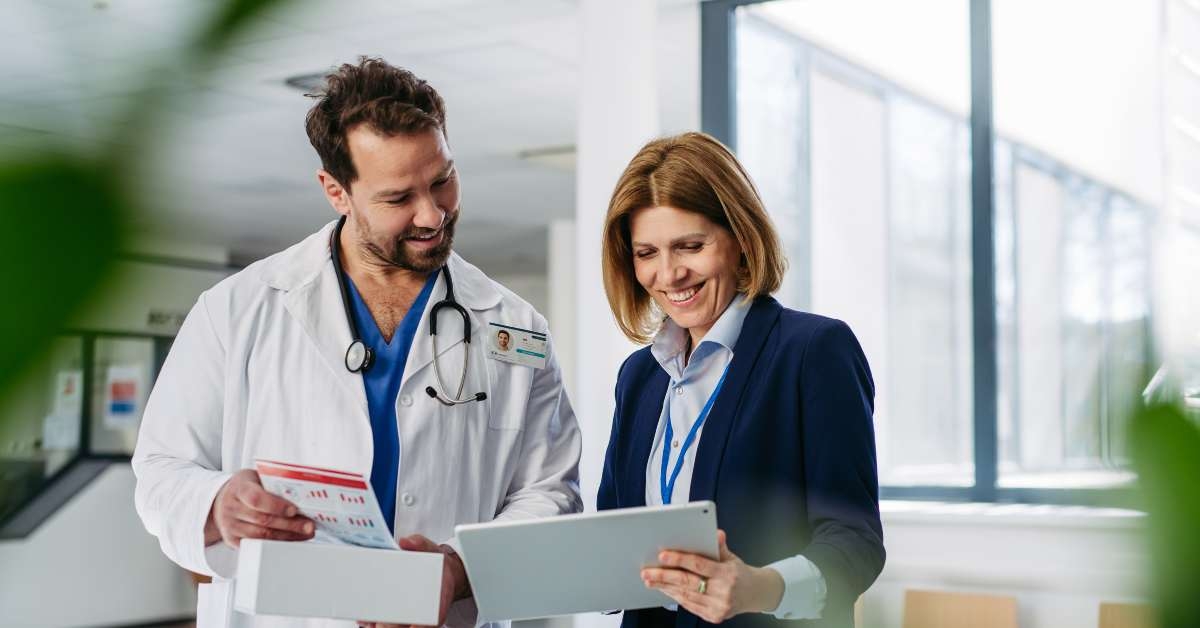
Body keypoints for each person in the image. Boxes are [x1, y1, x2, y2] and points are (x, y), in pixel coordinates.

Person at [132, 58, 582, 628]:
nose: (432, 214)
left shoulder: (516, 328)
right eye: (398, 199)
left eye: (442, 179)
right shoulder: (237, 310)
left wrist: (461, 568)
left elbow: (550, 491)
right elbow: (162, 470)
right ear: (336, 192)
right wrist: (218, 504)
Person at [597, 132, 884, 628]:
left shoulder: (813, 352)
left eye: (690, 246)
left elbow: (855, 540)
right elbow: (613, 530)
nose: (669, 274)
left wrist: (763, 588)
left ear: (741, 241)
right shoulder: (639, 377)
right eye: (646, 253)